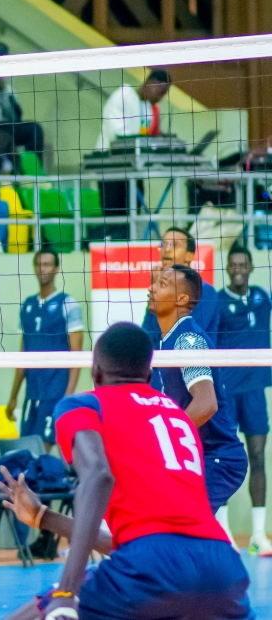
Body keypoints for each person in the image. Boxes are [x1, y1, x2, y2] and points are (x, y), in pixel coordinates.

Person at [0, 322, 253, 620]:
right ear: (148, 375)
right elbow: (140, 542)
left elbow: (98, 474)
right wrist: (44, 517)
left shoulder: (82, 405)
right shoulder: (176, 414)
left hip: (149, 568)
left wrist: (66, 592)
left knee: (43, 610)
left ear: (95, 373)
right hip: (223, 570)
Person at [147, 264, 248, 517]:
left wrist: (166, 438)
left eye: (161, 285)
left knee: (183, 524)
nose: (150, 288)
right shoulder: (165, 341)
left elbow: (206, 403)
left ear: (182, 298)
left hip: (219, 457)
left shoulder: (188, 339)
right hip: (195, 455)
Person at [216, 245, 272, 555]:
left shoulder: (263, 297)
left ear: (250, 268)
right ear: (227, 268)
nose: (238, 269)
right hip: (225, 392)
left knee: (258, 456)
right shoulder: (218, 302)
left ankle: (258, 534)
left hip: (254, 391)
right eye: (233, 264)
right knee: (224, 457)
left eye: (243, 264)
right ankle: (223, 531)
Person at [8, 249, 85, 450]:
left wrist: (68, 395)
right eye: (38, 264)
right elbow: (22, 356)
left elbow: (77, 355)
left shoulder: (68, 304)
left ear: (57, 269)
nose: (42, 269)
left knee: (43, 448)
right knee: (25, 448)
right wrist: (13, 396)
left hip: (55, 390)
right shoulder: (27, 305)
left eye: (47, 264)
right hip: (32, 391)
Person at [140, 227, 219, 342]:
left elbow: (186, 336)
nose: (167, 249)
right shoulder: (159, 289)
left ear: (189, 256)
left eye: (174, 245)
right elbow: (147, 336)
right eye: (163, 244)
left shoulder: (205, 291)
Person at [94, 68, 171, 151]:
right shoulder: (124, 94)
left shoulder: (148, 110)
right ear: (149, 82)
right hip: (107, 155)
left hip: (129, 159)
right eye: (160, 92)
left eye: (163, 95)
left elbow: (142, 138)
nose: (160, 98)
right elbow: (116, 132)